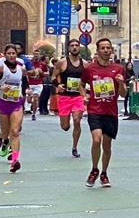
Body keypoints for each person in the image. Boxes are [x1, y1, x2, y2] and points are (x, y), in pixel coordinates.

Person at [81, 37, 127, 187]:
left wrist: (121, 83)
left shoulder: (119, 69)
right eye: (103, 48)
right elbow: (81, 85)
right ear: (98, 50)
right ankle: (94, 169)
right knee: (96, 140)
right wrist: (84, 96)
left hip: (111, 112)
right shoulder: (89, 69)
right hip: (95, 110)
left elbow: (123, 94)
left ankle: (104, 173)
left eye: (108, 48)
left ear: (111, 50)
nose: (106, 50)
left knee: (107, 146)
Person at [0, 46, 28, 172]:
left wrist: (28, 91)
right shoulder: (1, 68)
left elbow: (25, 84)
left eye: (13, 53)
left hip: (17, 103)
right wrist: (0, 87)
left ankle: (15, 160)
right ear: (5, 55)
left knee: (15, 131)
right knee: (6, 132)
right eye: (9, 53)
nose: (11, 55)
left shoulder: (21, 69)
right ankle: (1, 137)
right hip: (3, 102)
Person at [54, 44, 89, 160]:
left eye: (76, 46)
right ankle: (66, 123)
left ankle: (75, 147)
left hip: (78, 96)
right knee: (65, 126)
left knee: (77, 120)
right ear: (69, 49)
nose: (74, 48)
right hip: (64, 97)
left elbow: (88, 79)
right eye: (72, 46)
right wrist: (58, 85)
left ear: (79, 48)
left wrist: (87, 93)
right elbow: (53, 76)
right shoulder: (62, 63)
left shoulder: (84, 64)